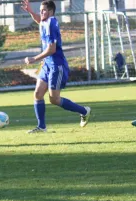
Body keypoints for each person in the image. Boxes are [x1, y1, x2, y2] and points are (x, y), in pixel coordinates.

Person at [21, 0, 91, 133]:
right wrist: (30, 11)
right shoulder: (45, 21)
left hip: (56, 66)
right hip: (47, 65)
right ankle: (41, 127)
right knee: (37, 93)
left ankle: (84, 111)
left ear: (51, 12)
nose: (41, 13)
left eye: (44, 10)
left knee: (54, 99)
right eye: (40, 10)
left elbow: (52, 49)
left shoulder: (51, 24)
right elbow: (39, 20)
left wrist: (34, 59)